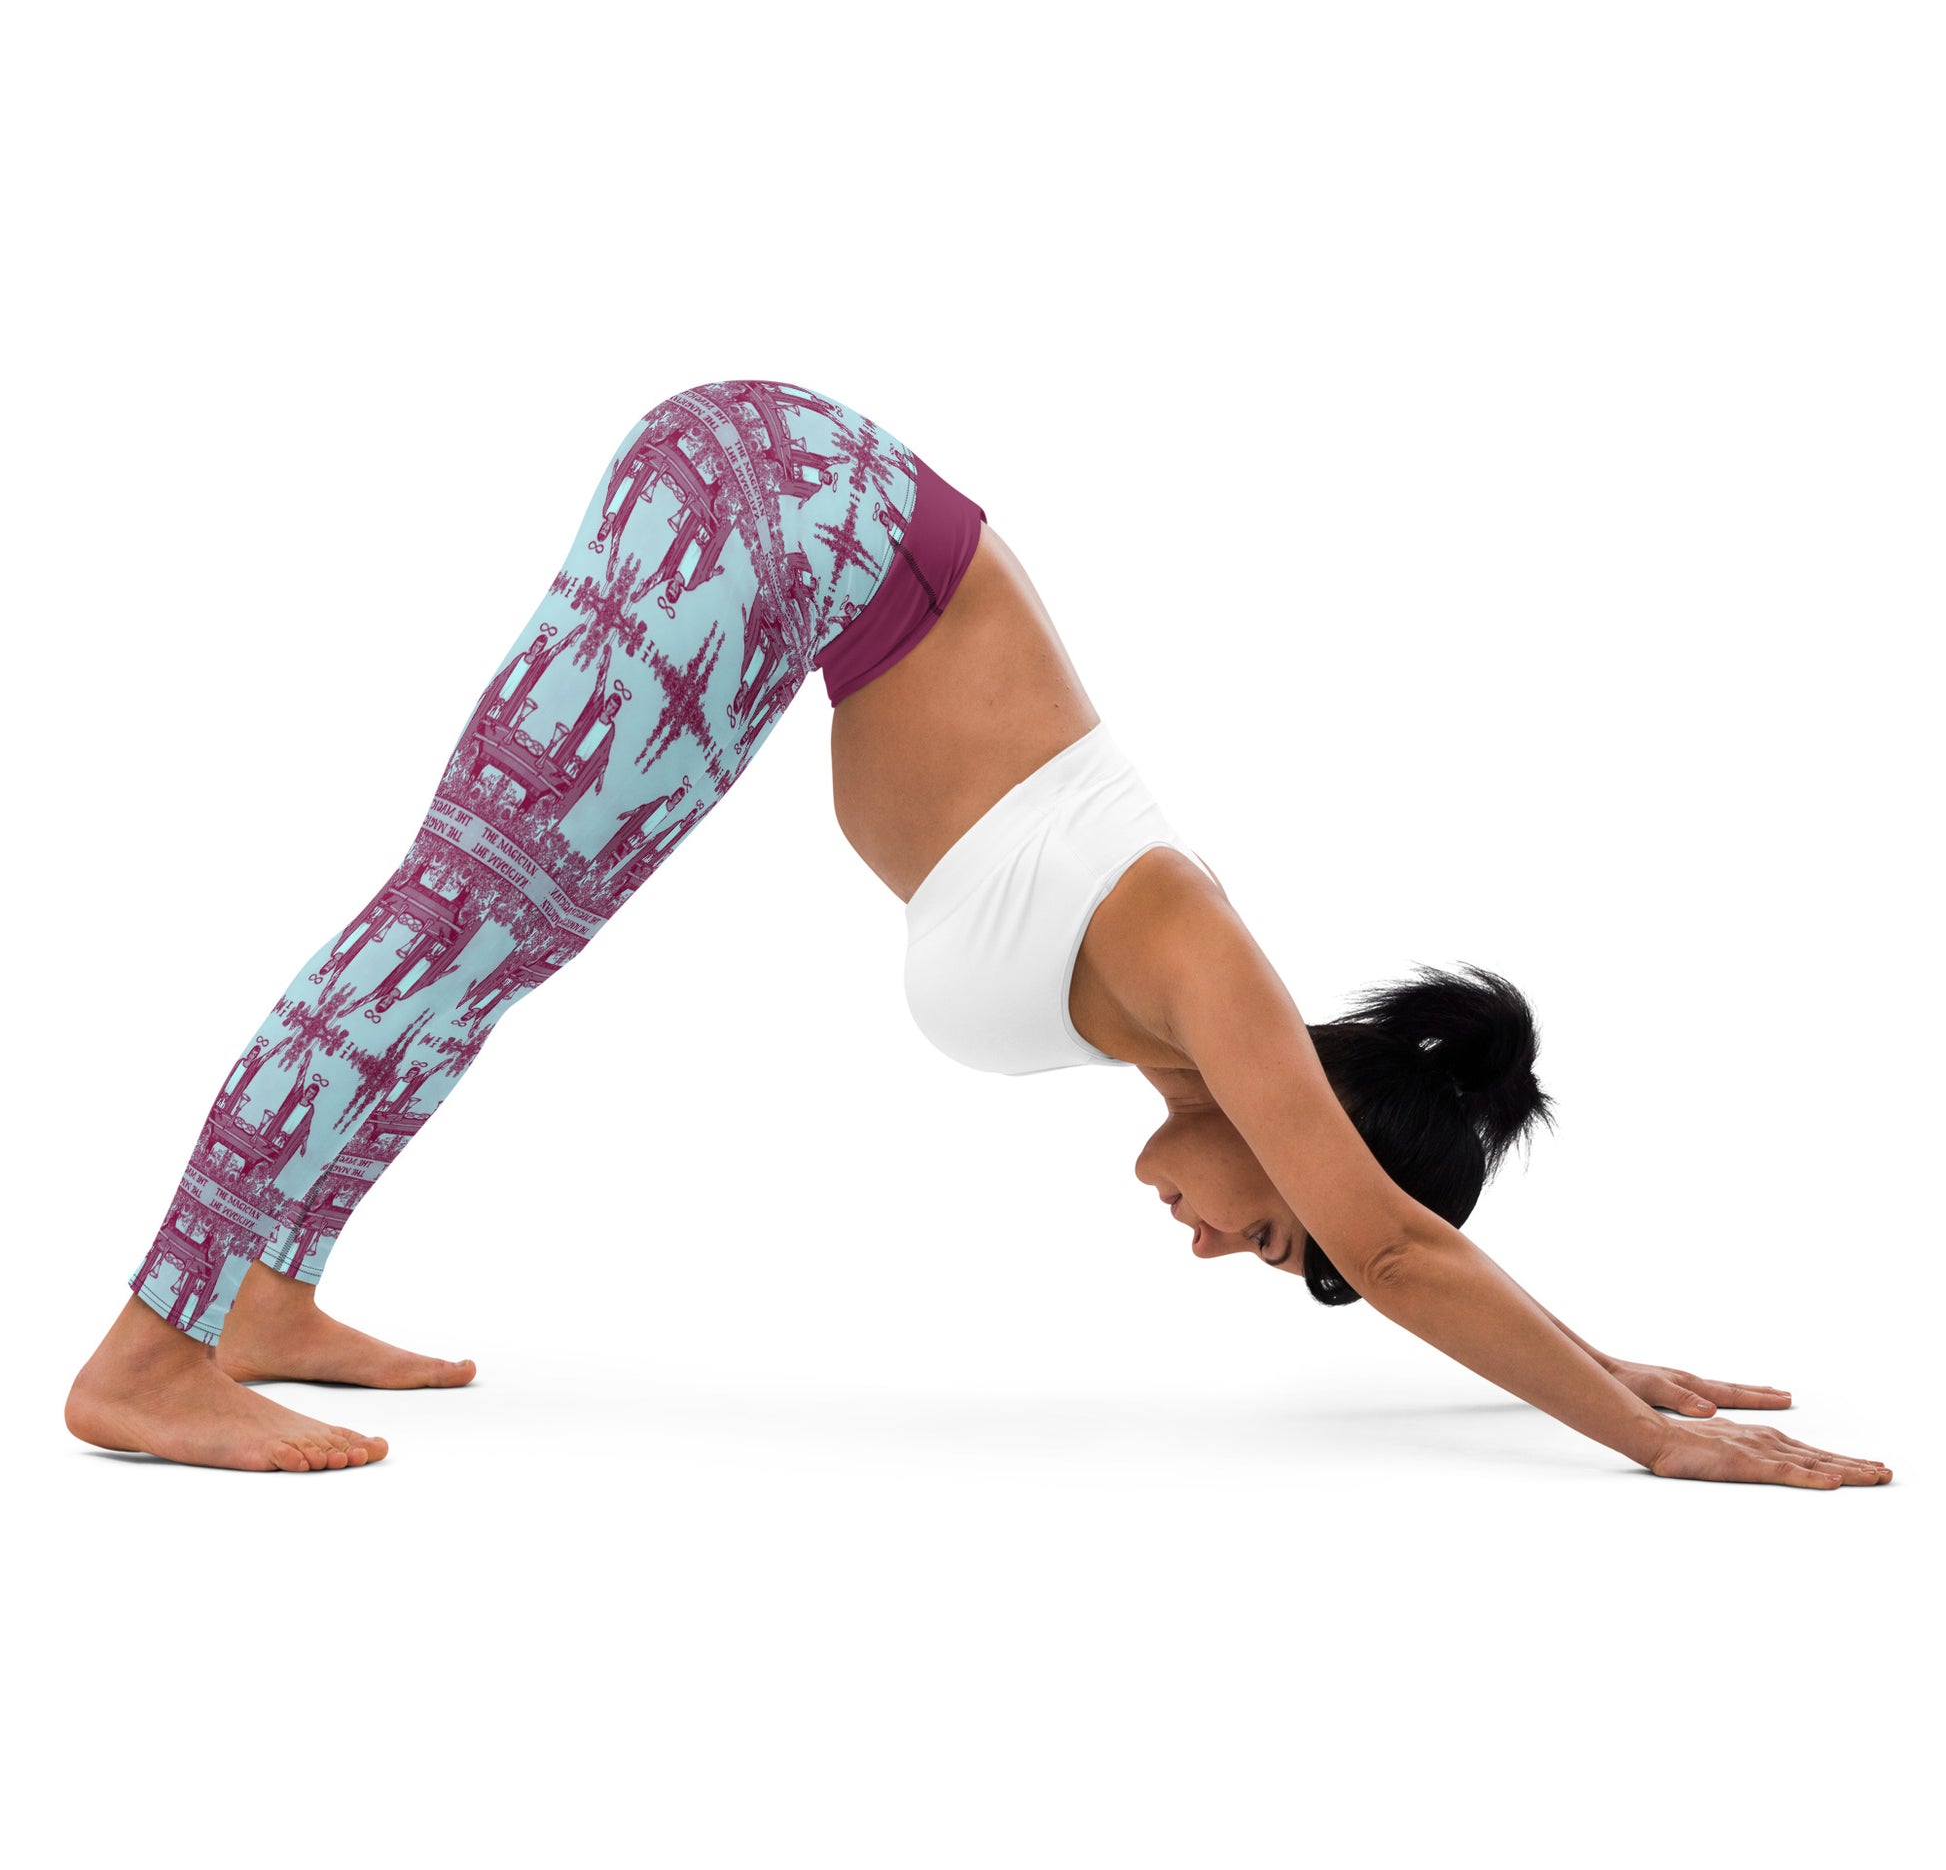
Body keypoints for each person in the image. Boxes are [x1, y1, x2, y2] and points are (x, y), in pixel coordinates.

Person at [66, 380, 1890, 1488]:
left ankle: (261, 1290)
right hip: (780, 511)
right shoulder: (1202, 961)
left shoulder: (1175, 1012)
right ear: (1306, 1134)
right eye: (1273, 1232)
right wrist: (1647, 1435)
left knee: (490, 941)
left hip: (788, 532)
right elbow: (1398, 1248)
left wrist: (1594, 1354)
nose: (1216, 1245)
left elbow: (1397, 1239)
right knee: (452, 921)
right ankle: (150, 1354)